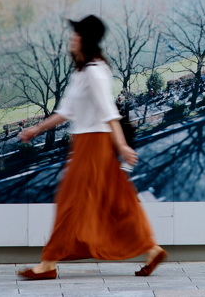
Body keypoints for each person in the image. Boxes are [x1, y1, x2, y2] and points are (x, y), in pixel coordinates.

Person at [17, 14, 167, 280]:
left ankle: (48, 264)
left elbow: (109, 112)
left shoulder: (95, 71)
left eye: (77, 34)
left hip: (95, 144)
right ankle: (152, 250)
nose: (72, 38)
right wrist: (36, 129)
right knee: (117, 203)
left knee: (71, 202)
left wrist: (121, 145)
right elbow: (65, 112)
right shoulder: (82, 72)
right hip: (86, 143)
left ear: (86, 39)